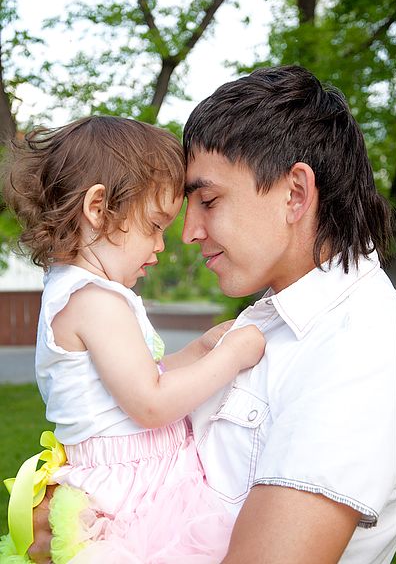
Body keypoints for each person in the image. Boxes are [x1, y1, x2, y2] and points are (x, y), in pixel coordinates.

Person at [26, 64, 396, 564]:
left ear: (295, 194)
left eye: (208, 200)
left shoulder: (360, 347)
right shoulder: (276, 318)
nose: (187, 232)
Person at [0, 116, 265, 563]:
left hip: (138, 480)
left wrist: (202, 350)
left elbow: (143, 377)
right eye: (155, 225)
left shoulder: (86, 293)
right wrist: (232, 357)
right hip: (133, 501)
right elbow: (150, 403)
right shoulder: (94, 301)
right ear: (98, 208)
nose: (162, 246)